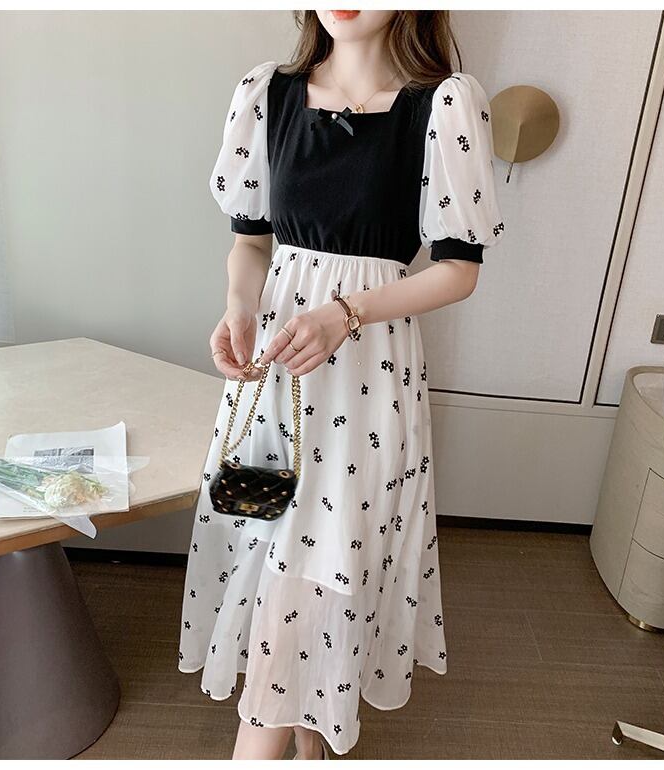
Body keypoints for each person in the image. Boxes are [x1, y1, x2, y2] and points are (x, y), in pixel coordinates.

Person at [178, 9, 506, 760]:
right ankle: (307, 737)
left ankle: (280, 733)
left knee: (326, 561)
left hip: (367, 382)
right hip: (275, 374)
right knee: (269, 546)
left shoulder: (443, 104)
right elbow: (250, 242)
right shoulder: (267, 93)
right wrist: (238, 307)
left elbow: (458, 270)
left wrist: (347, 313)